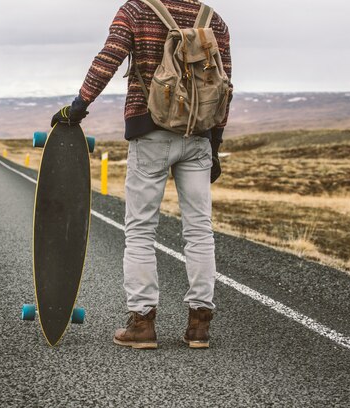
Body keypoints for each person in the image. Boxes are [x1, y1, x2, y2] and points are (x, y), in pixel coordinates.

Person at [52, 0, 232, 349]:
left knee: (140, 229)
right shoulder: (214, 20)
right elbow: (224, 85)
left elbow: (107, 60)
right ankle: (199, 326)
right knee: (198, 229)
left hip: (150, 133)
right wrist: (215, 143)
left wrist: (77, 107)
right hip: (198, 135)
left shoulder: (136, 11)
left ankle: (142, 324)